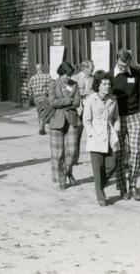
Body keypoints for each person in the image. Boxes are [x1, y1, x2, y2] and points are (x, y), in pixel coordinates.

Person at [82, 70, 124, 206]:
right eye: (104, 84)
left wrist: (116, 128)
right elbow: (86, 120)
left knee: (111, 165)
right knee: (97, 168)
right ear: (98, 85)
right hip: (96, 137)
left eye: (109, 84)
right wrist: (93, 134)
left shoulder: (113, 100)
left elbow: (117, 117)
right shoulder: (90, 100)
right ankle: (100, 196)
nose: (107, 86)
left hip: (110, 135)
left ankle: (99, 186)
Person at [112, 48, 140, 201]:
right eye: (120, 65)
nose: (123, 68)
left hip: (134, 116)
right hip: (118, 117)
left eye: (126, 65)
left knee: (136, 152)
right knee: (119, 154)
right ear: (116, 60)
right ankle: (122, 187)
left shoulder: (136, 72)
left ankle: (133, 185)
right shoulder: (111, 75)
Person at [48, 61, 81, 190]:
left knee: (72, 150)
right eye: (65, 74)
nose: (68, 77)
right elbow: (52, 102)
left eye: (69, 75)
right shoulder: (53, 84)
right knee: (58, 153)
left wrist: (65, 102)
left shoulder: (74, 85)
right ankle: (62, 178)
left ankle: (67, 171)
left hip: (72, 119)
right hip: (57, 120)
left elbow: (77, 102)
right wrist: (68, 101)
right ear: (60, 73)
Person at [71, 59, 94, 164]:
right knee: (76, 135)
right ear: (85, 68)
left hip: (90, 110)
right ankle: (74, 159)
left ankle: (96, 158)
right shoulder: (73, 78)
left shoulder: (93, 79)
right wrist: (85, 92)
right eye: (91, 67)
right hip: (78, 110)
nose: (93, 69)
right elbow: (68, 91)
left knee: (93, 134)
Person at [28, 64, 52, 135]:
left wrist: (31, 94)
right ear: (43, 69)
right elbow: (52, 85)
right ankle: (42, 129)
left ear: (36, 69)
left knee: (39, 112)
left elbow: (29, 88)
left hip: (36, 98)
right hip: (44, 96)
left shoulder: (32, 78)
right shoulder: (47, 76)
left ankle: (41, 128)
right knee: (45, 112)